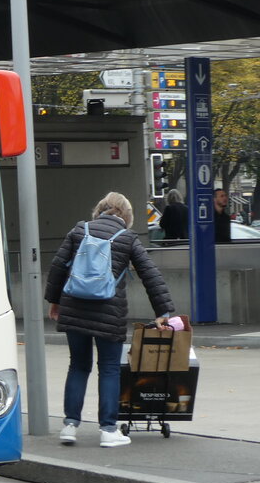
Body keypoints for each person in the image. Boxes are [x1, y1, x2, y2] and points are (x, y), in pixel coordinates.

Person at [45, 192, 175, 449]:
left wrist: (54, 302)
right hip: (109, 312)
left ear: (100, 210)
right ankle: (108, 430)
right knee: (109, 368)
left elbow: (58, 266)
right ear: (126, 215)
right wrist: (163, 311)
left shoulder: (79, 231)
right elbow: (150, 274)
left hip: (74, 308)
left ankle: (70, 426)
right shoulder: (127, 238)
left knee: (78, 366)